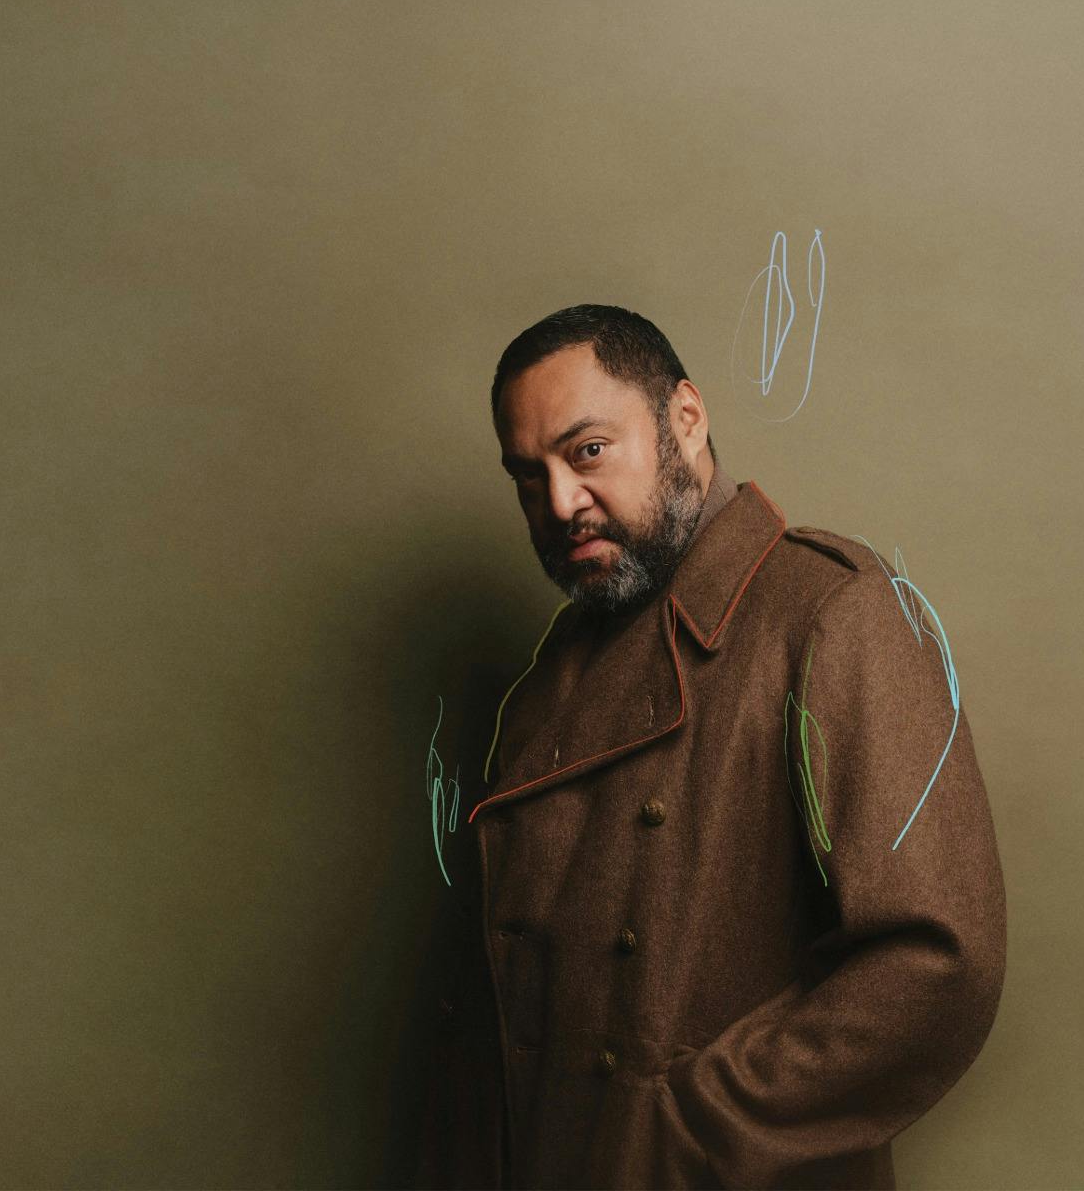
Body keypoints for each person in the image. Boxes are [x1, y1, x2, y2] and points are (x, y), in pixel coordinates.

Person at [414, 304, 1006, 1189]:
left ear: (685, 418)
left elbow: (936, 962)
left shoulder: (834, 611)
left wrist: (691, 1122)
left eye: (586, 452)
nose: (560, 503)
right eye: (528, 477)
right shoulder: (546, 685)